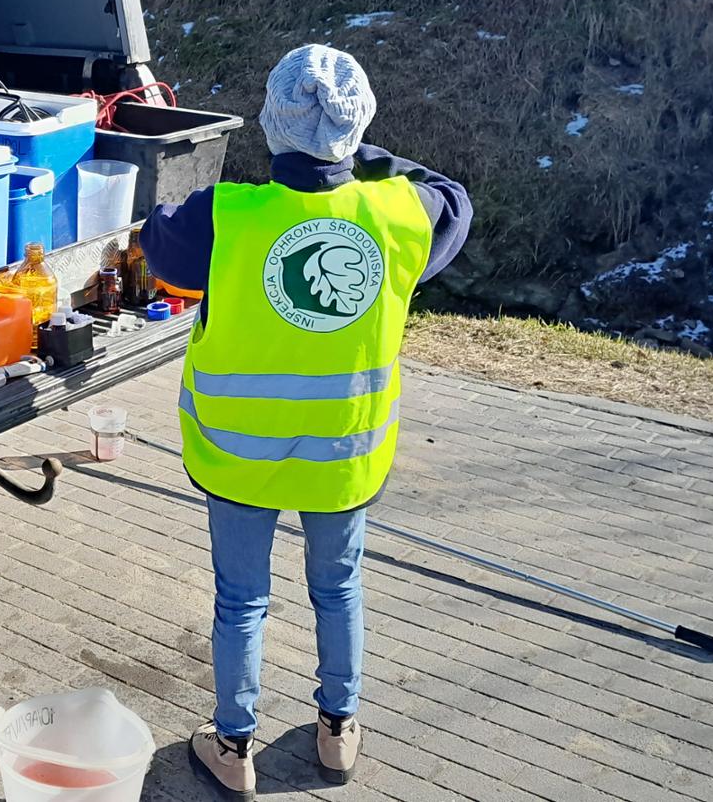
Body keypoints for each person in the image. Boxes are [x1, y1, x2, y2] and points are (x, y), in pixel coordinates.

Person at [142, 44, 472, 801]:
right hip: (341, 455)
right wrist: (362, 153)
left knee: (241, 599)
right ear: (358, 125)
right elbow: (451, 192)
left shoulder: (225, 216)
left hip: (239, 456)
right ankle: (337, 733)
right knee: (339, 587)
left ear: (269, 121)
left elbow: (160, 241)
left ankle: (232, 747)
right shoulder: (398, 213)